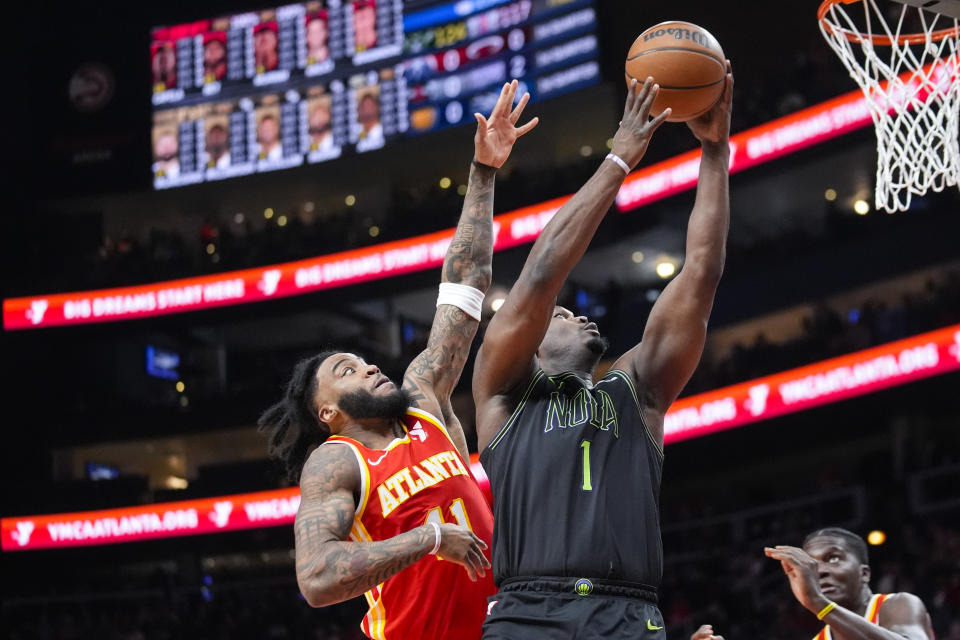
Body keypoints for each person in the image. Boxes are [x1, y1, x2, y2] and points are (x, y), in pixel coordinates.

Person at [257, 80, 538, 640]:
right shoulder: (337, 462)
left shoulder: (423, 400)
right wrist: (429, 539)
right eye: (346, 371)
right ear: (328, 414)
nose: (368, 368)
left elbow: (466, 285)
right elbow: (315, 578)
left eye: (361, 360)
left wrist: (483, 173)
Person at [472, 67, 733, 639]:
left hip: (628, 614)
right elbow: (542, 274)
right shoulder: (504, 391)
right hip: (526, 612)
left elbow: (701, 274)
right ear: (532, 344)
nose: (578, 314)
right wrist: (617, 162)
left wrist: (715, 153)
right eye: (562, 315)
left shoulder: (638, 391)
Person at [764, 527, 935, 639]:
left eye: (833, 559)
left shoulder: (898, 605)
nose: (820, 571)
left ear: (864, 573)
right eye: (812, 565)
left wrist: (818, 602)